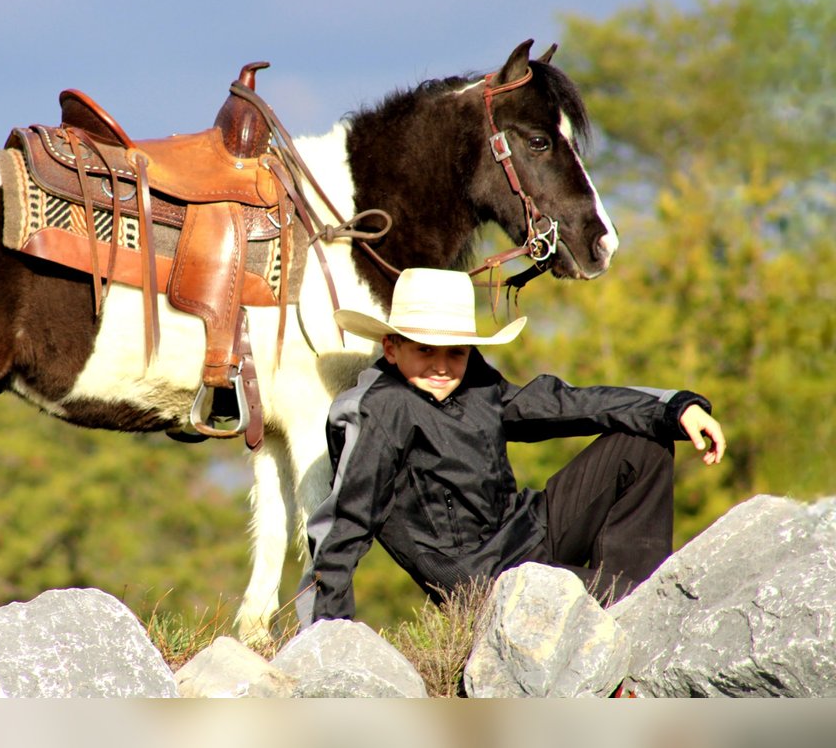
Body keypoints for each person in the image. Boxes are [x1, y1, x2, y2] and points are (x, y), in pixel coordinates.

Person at [298, 267, 726, 626]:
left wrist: (674, 408)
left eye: (456, 353)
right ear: (391, 348)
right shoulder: (376, 411)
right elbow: (343, 527)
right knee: (642, 603)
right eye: (425, 350)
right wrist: (326, 643)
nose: (443, 367)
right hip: (485, 580)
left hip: (532, 530)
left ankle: (628, 625)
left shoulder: (476, 380)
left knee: (642, 445)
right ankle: (630, 616)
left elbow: (563, 403)